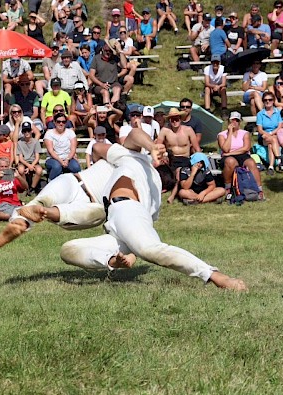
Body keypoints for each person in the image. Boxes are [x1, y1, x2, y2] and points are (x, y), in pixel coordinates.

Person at [58, 129, 247, 290]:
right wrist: (151, 146)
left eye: (164, 157)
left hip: (127, 208)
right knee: (68, 250)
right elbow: (130, 135)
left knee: (150, 249)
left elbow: (138, 227)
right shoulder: (135, 157)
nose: (160, 156)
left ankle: (214, 275)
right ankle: (111, 261)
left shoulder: (157, 193)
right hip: (114, 226)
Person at [157, 107, 201, 203]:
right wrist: (163, 155)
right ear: (169, 120)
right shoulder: (165, 130)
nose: (175, 121)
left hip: (184, 158)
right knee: (156, 165)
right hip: (170, 158)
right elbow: (158, 146)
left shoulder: (188, 130)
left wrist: (199, 159)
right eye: (172, 119)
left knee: (178, 172)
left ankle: (172, 196)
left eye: (177, 119)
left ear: (180, 119)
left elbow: (197, 148)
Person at [218, 111, 264, 200]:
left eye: (237, 120)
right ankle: (228, 187)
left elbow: (246, 148)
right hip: (227, 157)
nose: (234, 122)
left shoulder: (244, 133)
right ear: (228, 121)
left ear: (240, 122)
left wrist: (231, 153)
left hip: (242, 155)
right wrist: (230, 133)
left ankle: (259, 190)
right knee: (231, 161)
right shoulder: (222, 135)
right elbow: (225, 149)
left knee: (251, 163)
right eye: (232, 120)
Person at [44, 111, 80, 180]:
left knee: (76, 167)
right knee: (57, 166)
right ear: (54, 122)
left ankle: (75, 184)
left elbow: (73, 149)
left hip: (68, 158)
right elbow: (51, 151)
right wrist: (60, 161)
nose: (61, 123)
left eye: (63, 122)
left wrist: (67, 159)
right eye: (58, 121)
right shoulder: (49, 133)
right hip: (53, 158)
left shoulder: (70, 133)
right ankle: (51, 182)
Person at [89, 40, 127, 106]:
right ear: (103, 50)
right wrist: (101, 84)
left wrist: (120, 51)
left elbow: (124, 65)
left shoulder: (115, 58)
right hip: (99, 84)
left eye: (110, 51)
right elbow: (91, 75)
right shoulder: (96, 58)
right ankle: (107, 108)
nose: (108, 52)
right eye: (106, 50)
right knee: (105, 92)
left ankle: (112, 108)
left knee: (117, 89)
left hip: (113, 83)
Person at [256, 92, 282, 175]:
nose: (268, 101)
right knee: (273, 139)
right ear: (263, 101)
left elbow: (280, 126)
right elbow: (260, 129)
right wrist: (269, 134)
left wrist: (271, 133)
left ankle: (271, 167)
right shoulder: (260, 114)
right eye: (265, 100)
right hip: (264, 136)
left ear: (273, 101)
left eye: (270, 100)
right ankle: (279, 159)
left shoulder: (278, 112)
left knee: (271, 144)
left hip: (274, 135)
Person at [16, 121, 43, 193]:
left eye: (28, 131)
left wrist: (31, 166)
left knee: (39, 170)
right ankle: (25, 186)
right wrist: (28, 166)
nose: (27, 133)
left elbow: (37, 157)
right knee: (21, 170)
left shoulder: (36, 142)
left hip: (34, 161)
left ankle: (32, 187)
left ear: (32, 131)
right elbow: (20, 158)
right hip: (24, 162)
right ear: (22, 132)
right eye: (25, 131)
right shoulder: (19, 142)